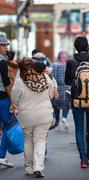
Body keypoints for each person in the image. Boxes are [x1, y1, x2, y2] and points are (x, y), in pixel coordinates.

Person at [11, 58, 54, 177]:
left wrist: (16, 103)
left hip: (27, 115)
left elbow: (14, 98)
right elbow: (51, 94)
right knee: (40, 140)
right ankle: (38, 167)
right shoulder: (44, 77)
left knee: (28, 140)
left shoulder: (20, 81)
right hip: (44, 114)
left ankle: (29, 166)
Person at [65, 36, 89, 168]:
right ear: (87, 47)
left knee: (79, 130)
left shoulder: (71, 62)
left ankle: (83, 159)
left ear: (75, 47)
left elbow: (67, 81)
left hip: (77, 101)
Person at [0, 34, 14, 167]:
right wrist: (12, 101)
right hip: (2, 98)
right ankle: (1, 155)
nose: (5, 48)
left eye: (6, 45)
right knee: (7, 126)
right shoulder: (2, 61)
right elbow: (6, 83)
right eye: (3, 45)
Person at [51, 50, 70, 130]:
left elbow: (51, 78)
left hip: (56, 88)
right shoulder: (68, 65)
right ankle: (64, 118)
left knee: (56, 106)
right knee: (67, 105)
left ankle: (57, 123)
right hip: (66, 87)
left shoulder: (53, 65)